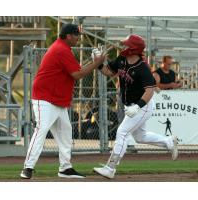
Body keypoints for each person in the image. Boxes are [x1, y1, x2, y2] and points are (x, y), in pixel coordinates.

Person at [20, 23, 106, 179]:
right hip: (45, 98)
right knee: (41, 130)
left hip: (57, 100)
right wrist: (97, 63)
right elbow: (78, 74)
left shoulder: (63, 48)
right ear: (68, 36)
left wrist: (94, 62)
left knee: (66, 133)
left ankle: (65, 168)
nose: (78, 38)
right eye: (76, 35)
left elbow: (76, 70)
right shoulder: (61, 50)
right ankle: (28, 168)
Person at [93, 34, 178, 179]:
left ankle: (110, 167)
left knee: (122, 132)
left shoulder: (142, 67)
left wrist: (137, 107)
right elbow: (108, 72)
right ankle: (169, 142)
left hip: (142, 106)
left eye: (126, 45)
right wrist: (99, 62)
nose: (123, 46)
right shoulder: (121, 59)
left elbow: (150, 91)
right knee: (140, 137)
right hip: (131, 105)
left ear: (133, 49)